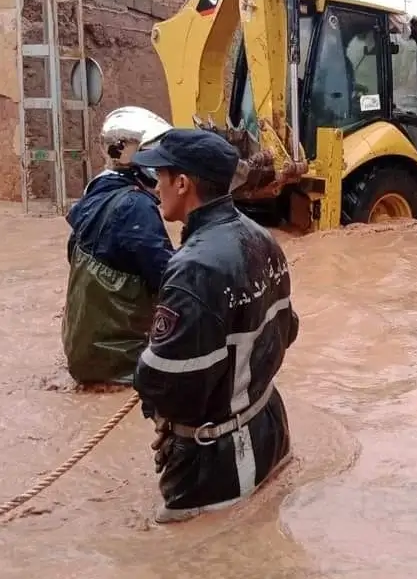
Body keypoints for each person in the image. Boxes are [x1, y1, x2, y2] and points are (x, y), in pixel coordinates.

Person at [132, 129, 300, 524]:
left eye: (159, 176)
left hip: (217, 464)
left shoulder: (191, 268)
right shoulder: (264, 239)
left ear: (183, 183)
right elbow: (288, 330)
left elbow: (163, 381)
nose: (156, 187)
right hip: (271, 430)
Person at [62, 106, 176, 385]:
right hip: (121, 361)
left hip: (83, 352)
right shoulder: (136, 207)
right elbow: (169, 279)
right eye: (152, 153)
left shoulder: (97, 191)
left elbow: (72, 252)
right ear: (127, 155)